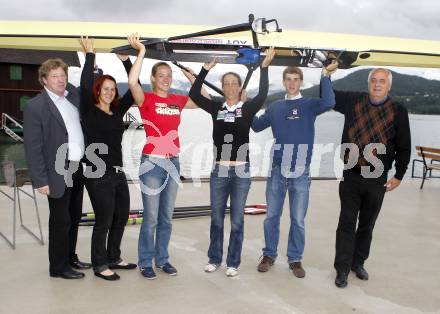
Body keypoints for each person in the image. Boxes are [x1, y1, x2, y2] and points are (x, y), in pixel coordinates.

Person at [127, 34, 210, 280]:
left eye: (168, 75)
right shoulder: (146, 99)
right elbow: (132, 82)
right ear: (153, 79)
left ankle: (162, 259)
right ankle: (145, 261)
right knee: (151, 218)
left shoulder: (177, 100)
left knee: (166, 218)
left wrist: (191, 76)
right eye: (161, 75)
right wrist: (141, 52)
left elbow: (204, 98)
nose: (166, 79)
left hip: (173, 162)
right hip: (152, 163)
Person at [189, 47, 275, 277]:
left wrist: (264, 68)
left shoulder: (247, 108)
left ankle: (233, 262)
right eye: (226, 83)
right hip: (219, 171)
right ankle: (214, 258)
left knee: (237, 221)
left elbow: (263, 93)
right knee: (216, 219)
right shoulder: (216, 107)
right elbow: (195, 94)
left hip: (241, 172)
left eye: (233, 83)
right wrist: (204, 70)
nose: (229, 87)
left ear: (239, 87)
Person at [252, 63, 337, 278]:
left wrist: (325, 75)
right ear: (283, 82)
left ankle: (295, 259)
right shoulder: (275, 107)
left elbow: (329, 101)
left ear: (301, 82)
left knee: (298, 219)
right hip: (278, 169)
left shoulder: (309, 105)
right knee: (272, 215)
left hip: (301, 170)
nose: (291, 83)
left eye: (295, 79)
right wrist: (243, 105)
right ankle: (269, 255)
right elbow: (255, 126)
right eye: (288, 79)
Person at [333, 68, 411, 288]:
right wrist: (326, 73)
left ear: (389, 86)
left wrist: (400, 175)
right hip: (351, 175)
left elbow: (404, 146)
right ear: (369, 84)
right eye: (374, 81)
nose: (377, 84)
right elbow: (327, 94)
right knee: (346, 224)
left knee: (367, 225)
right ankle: (342, 269)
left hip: (377, 179)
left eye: (382, 81)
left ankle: (358, 263)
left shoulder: (398, 111)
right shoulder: (352, 101)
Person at [23, 58, 91, 279]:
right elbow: (33, 148)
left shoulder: (72, 98)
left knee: (74, 217)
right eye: (54, 76)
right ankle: (58, 267)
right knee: (60, 221)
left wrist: (88, 60)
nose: (61, 80)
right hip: (56, 172)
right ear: (44, 80)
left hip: (77, 167)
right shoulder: (35, 106)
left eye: (63, 75)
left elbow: (83, 85)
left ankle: (70, 258)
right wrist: (40, 180)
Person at [78, 37, 137, 281]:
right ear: (98, 91)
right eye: (105, 88)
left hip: (116, 171)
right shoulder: (88, 110)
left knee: (121, 216)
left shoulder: (118, 111)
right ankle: (100, 265)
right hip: (96, 173)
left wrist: (127, 62)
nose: (109, 92)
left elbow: (135, 89)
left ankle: (114, 256)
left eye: (112, 89)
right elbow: (83, 86)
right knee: (104, 219)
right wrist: (90, 56)